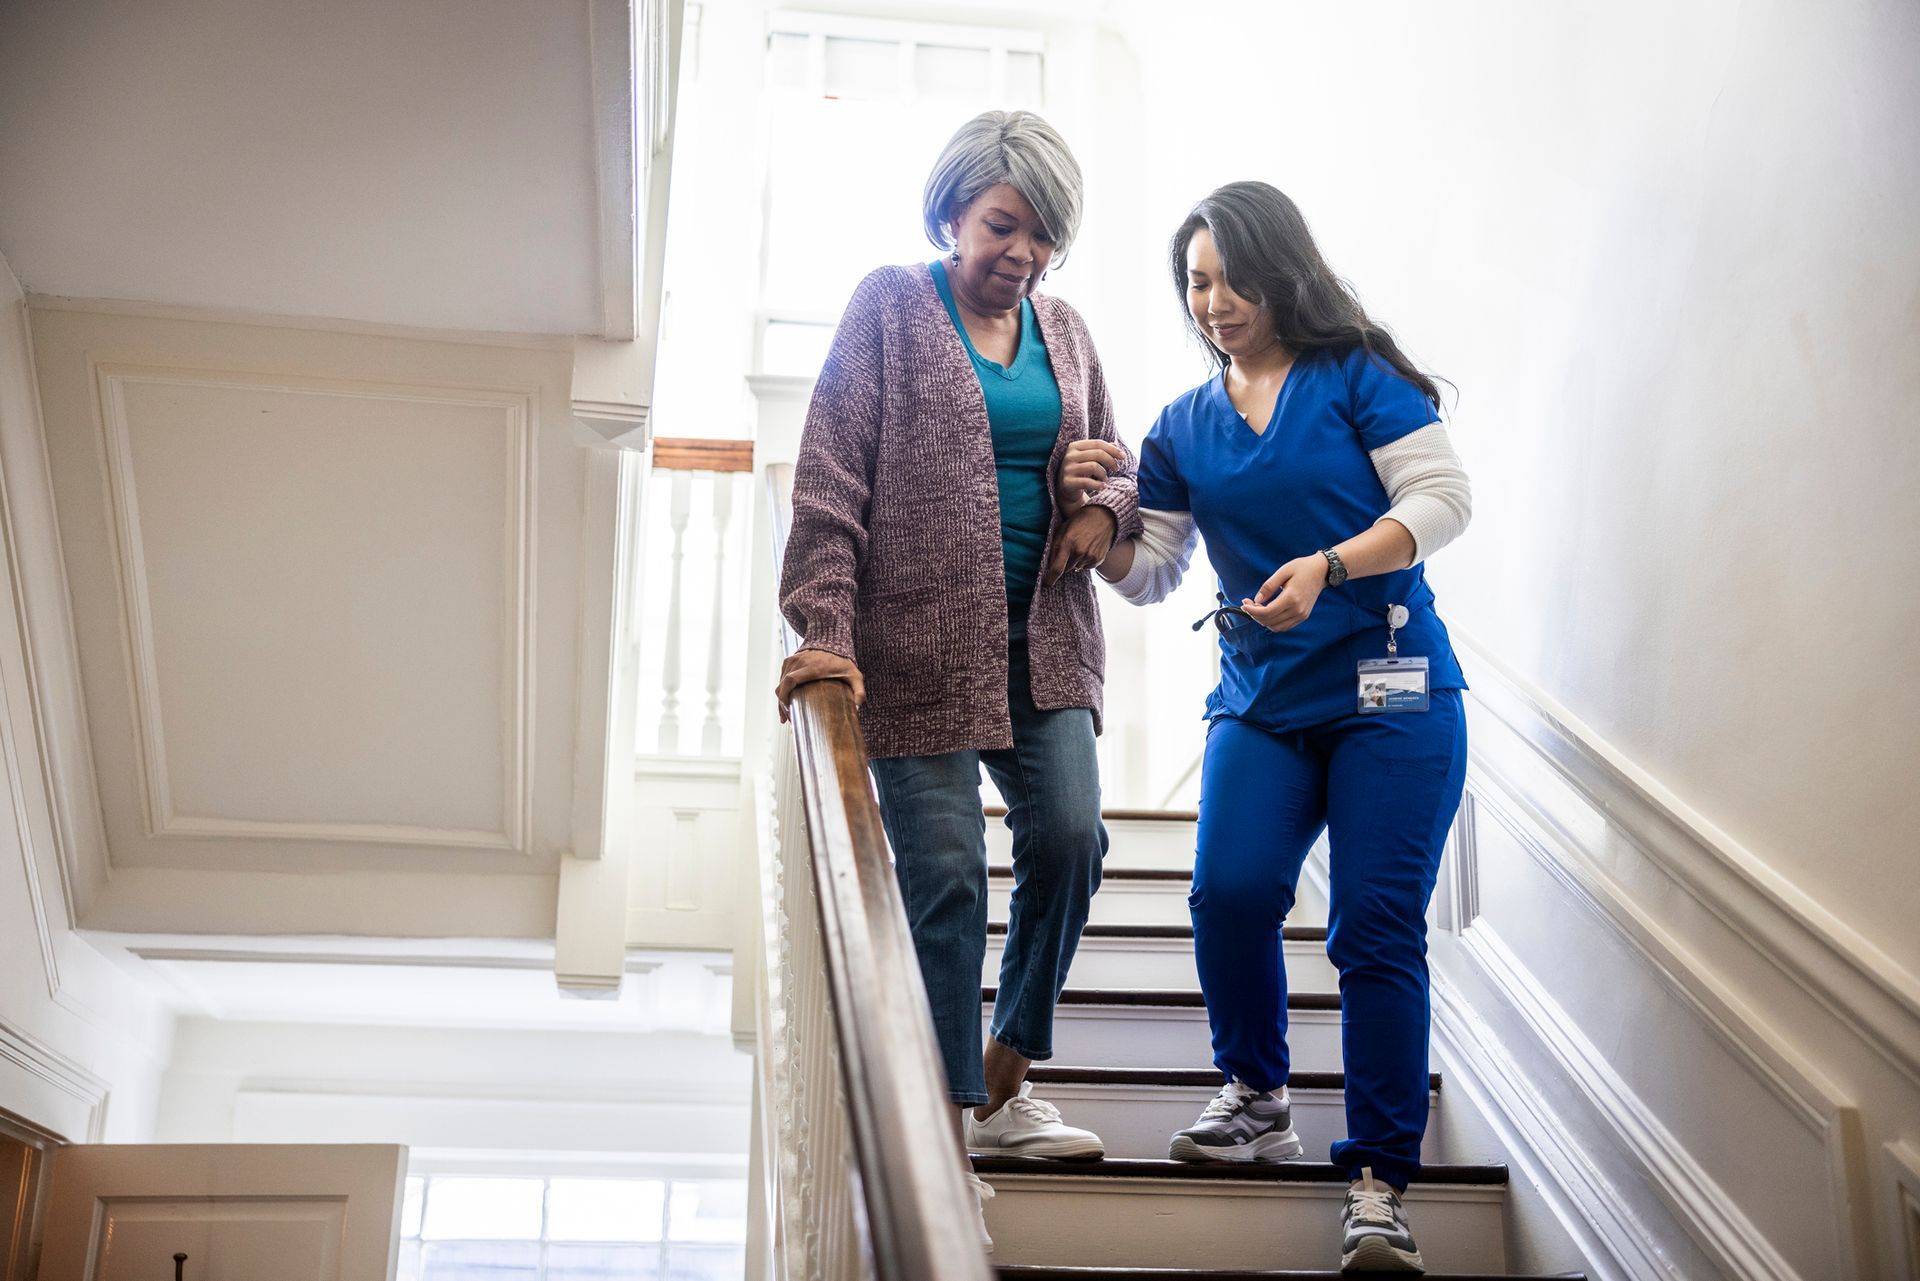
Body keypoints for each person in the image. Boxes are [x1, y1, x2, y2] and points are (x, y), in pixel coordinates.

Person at [775, 109, 1140, 1252]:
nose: (1021, 252)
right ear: (952, 212)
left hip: (1046, 640)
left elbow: (1120, 478)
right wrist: (823, 631)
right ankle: (940, 1123)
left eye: (1042, 236)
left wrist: (1098, 498)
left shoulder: (1067, 333)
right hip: (917, 645)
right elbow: (830, 482)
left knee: (1074, 837)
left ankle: (1004, 1073)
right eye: (1001, 224)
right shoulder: (890, 305)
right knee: (942, 881)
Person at [1093, 180, 1472, 1275]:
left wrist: (1332, 564)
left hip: (1391, 701)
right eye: (1197, 282)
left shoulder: (1356, 376)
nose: (1213, 301)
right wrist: (1094, 526)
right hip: (1262, 700)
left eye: (1232, 278)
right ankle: (1257, 1098)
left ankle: (1377, 1184)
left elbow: (1443, 498)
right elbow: (1155, 567)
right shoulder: (1183, 426)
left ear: (1282, 271)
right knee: (1230, 890)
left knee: (1373, 926)